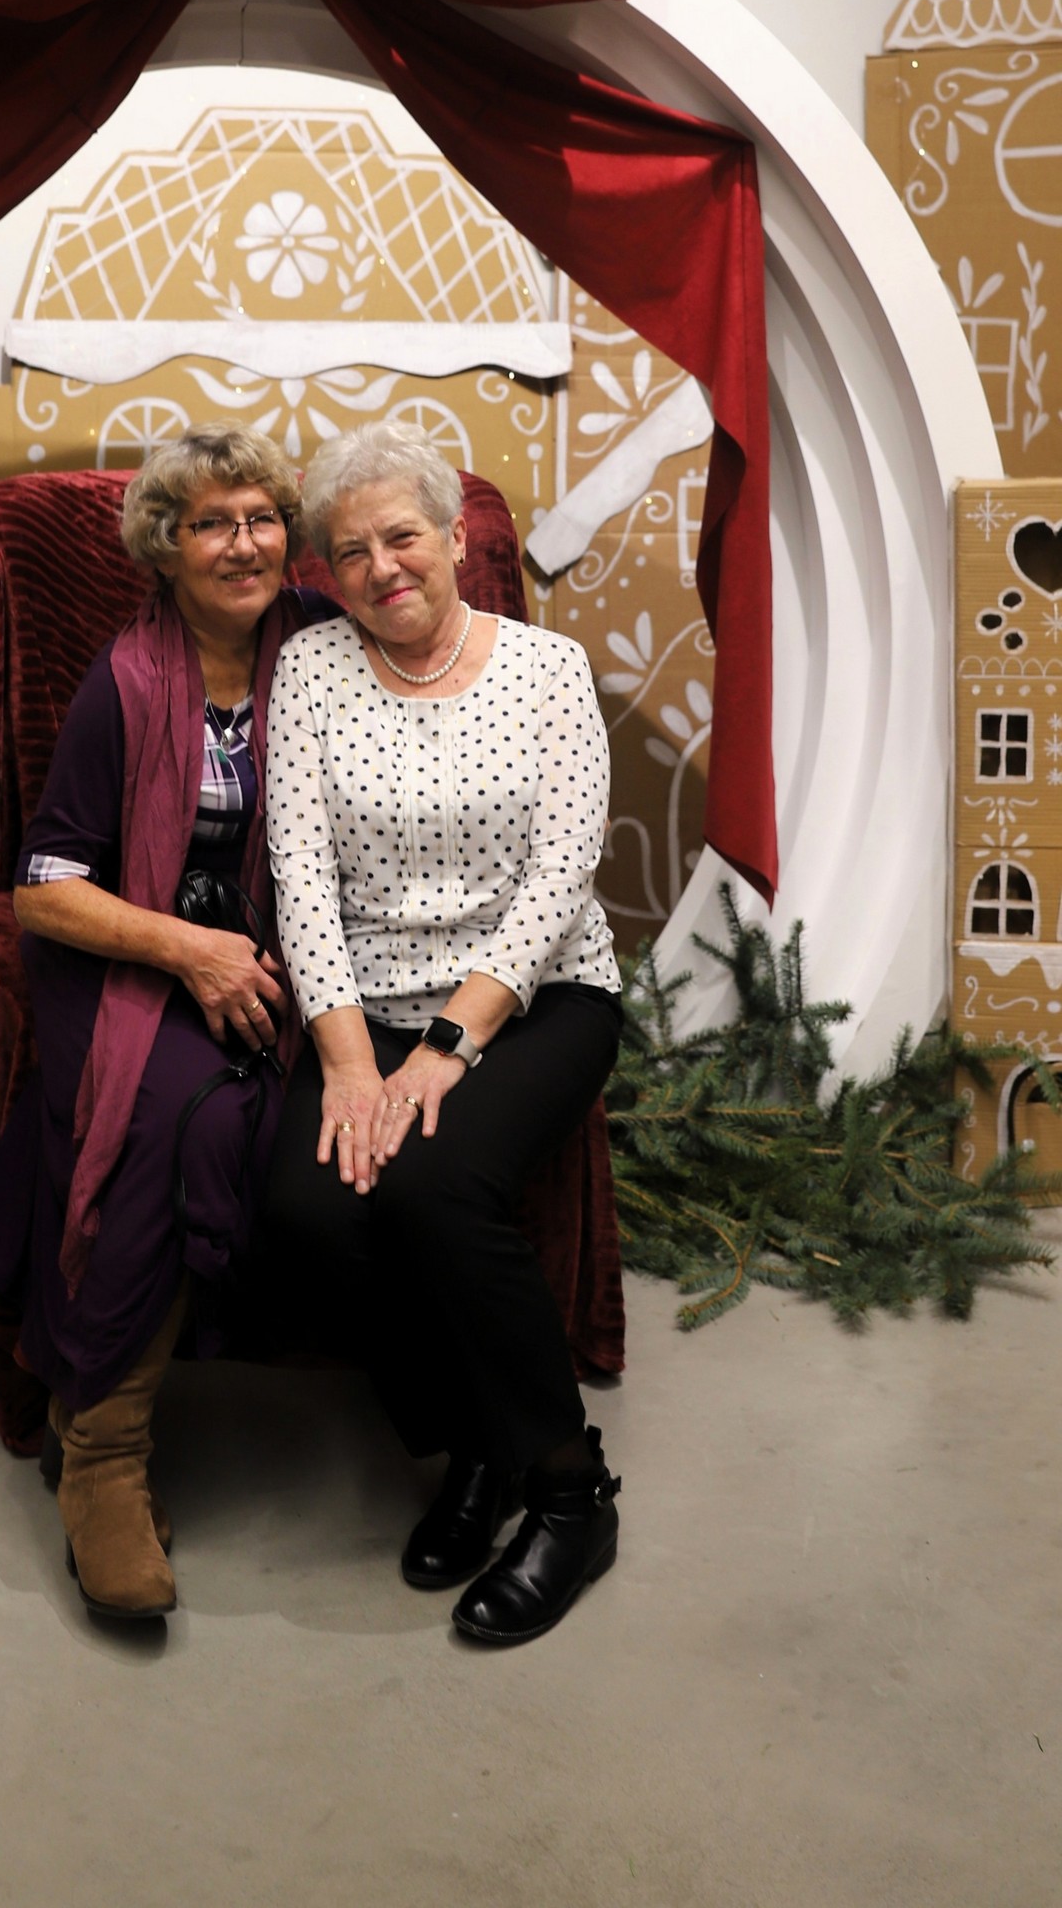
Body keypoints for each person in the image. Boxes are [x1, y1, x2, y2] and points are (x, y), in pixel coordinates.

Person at [0, 424, 333, 1622]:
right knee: (168, 1117)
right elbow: (43, 888)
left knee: (234, 1118)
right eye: (212, 524)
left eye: (262, 518)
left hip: (277, 949)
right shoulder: (123, 684)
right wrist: (186, 948)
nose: (245, 544)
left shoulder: (324, 647)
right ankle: (103, 1456)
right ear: (164, 550)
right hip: (131, 950)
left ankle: (100, 1407)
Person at [262, 418, 625, 1647]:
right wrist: (347, 1061)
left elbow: (561, 876)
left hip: (536, 997)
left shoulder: (548, 667)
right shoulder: (310, 669)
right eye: (349, 552)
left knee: (433, 1184)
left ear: (455, 537)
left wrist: (449, 1046)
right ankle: (475, 1445)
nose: (380, 569)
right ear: (327, 571)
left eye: (401, 536)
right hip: (365, 1003)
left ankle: (568, 1495)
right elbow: (300, 876)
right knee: (308, 1206)